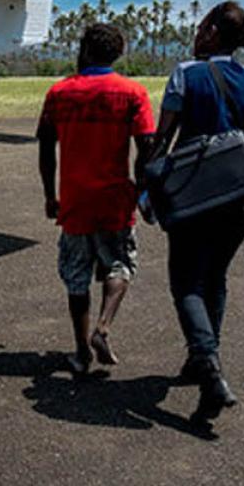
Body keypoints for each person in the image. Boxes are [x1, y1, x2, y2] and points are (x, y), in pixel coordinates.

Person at [147, 2, 244, 429]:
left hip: (195, 197)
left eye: (202, 26)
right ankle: (201, 358)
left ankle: (209, 369)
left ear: (210, 31)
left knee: (186, 281)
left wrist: (148, 189)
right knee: (216, 277)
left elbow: (162, 138)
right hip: (243, 198)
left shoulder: (187, 73)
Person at [37, 24, 156, 374]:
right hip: (116, 198)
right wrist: (142, 188)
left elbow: (46, 147)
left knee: (76, 277)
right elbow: (146, 146)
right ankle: (104, 327)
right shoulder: (132, 92)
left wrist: (50, 193)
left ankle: (80, 351)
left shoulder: (59, 93)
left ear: (85, 49)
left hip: (75, 199)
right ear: (117, 53)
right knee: (119, 265)